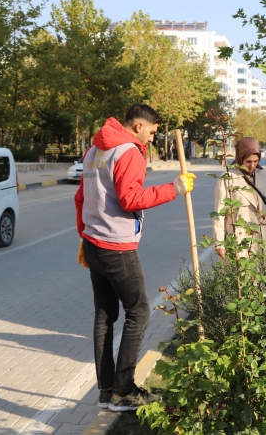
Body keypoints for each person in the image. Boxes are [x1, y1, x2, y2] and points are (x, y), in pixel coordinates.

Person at [74, 103, 196, 412]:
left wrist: (83, 235)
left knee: (104, 316)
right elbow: (131, 198)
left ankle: (106, 390)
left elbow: (80, 198)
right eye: (153, 132)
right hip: (116, 246)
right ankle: (124, 391)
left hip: (93, 242)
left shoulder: (94, 151)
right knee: (139, 313)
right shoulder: (128, 152)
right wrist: (175, 188)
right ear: (138, 126)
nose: (153, 138)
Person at [213, 137, 266, 277]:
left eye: (255, 161)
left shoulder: (263, 174)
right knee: (245, 281)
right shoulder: (227, 179)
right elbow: (219, 214)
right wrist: (219, 244)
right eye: (248, 162)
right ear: (240, 158)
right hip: (241, 240)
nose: (252, 166)